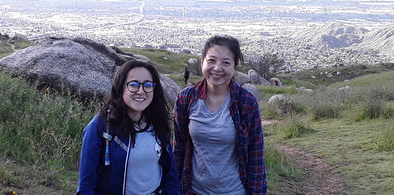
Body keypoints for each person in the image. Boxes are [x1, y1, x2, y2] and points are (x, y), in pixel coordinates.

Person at [173, 35, 267, 195]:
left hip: (234, 191)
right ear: (202, 61)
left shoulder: (246, 102)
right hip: (193, 190)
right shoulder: (186, 99)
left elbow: (255, 157)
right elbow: (179, 149)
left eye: (226, 63)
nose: (217, 68)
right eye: (211, 60)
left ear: (234, 68)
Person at [77, 60, 179, 195]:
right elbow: (86, 185)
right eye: (134, 85)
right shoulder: (101, 126)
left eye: (148, 85)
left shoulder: (157, 123)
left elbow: (170, 174)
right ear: (121, 88)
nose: (141, 91)